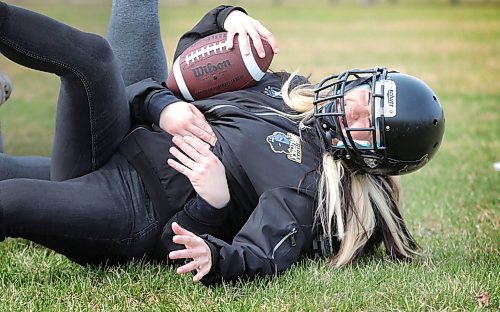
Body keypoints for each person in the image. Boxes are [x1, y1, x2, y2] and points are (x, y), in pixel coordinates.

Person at [0, 1, 445, 286]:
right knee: (95, 55)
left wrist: (213, 202)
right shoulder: (287, 88)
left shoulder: (306, 188)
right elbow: (184, 72)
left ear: (373, 155)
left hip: (133, 205)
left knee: (10, 200)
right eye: (367, 95)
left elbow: (256, 256)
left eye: (369, 120)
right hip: (123, 137)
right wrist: (230, 17)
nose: (355, 106)